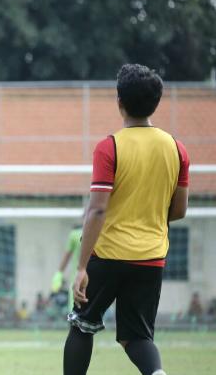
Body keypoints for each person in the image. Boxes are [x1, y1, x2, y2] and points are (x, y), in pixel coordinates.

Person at [63, 64, 190, 375]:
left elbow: (98, 210)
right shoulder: (177, 149)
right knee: (137, 336)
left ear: (119, 101)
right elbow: (179, 211)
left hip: (108, 255)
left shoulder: (110, 147)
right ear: (156, 103)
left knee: (82, 326)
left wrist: (81, 267)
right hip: (151, 258)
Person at [53, 225, 82, 314]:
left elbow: (67, 256)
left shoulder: (74, 234)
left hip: (77, 279)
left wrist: (58, 274)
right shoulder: (99, 232)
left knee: (75, 313)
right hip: (93, 278)